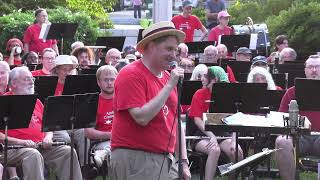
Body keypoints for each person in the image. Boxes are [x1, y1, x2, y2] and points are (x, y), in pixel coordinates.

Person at [110, 21, 191, 180]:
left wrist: (183, 161)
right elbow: (141, 117)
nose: (173, 55)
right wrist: (168, 86)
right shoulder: (131, 74)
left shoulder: (168, 77)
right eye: (168, 48)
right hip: (137, 157)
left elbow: (175, 122)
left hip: (165, 158)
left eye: (175, 50)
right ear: (151, 46)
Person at [0, 66, 82, 180]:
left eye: (32, 79)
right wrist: (22, 142)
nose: (31, 82)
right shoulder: (3, 102)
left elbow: (48, 125)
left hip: (40, 145)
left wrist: (48, 137)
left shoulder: (36, 101)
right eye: (26, 79)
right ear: (13, 83)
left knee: (68, 152)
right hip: (13, 148)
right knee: (32, 155)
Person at [189, 66, 243, 180]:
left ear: (214, 80)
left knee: (237, 151)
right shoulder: (199, 94)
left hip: (223, 134)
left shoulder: (227, 96)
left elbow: (233, 120)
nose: (202, 78)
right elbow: (197, 120)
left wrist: (233, 140)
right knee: (214, 150)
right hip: (202, 135)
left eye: (205, 76)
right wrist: (211, 136)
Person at [276, 55, 320, 180]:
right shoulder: (291, 92)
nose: (314, 70)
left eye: (317, 67)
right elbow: (281, 117)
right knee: (281, 141)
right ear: (305, 70)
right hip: (298, 136)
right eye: (311, 67)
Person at [85, 65, 117, 167]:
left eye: (112, 79)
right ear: (99, 82)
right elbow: (88, 132)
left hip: (125, 140)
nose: (109, 83)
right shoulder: (92, 103)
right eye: (106, 80)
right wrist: (110, 135)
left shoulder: (124, 99)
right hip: (102, 142)